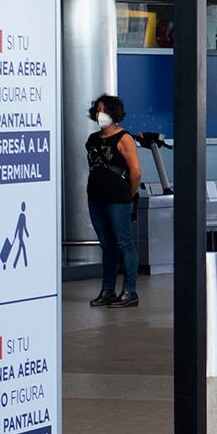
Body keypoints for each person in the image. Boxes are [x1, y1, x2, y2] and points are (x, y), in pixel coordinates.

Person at [85, 94, 143, 307]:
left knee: (124, 243)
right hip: (96, 197)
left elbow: (136, 172)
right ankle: (108, 289)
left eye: (105, 111)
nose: (101, 115)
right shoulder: (92, 140)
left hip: (118, 198)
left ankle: (130, 291)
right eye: (98, 110)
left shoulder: (124, 138)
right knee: (107, 245)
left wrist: (129, 193)